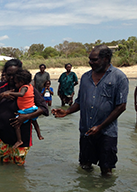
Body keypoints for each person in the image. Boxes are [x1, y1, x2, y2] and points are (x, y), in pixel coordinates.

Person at [52, 45, 128, 176]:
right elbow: (80, 101)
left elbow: (121, 106)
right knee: (85, 167)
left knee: (107, 171)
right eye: (90, 59)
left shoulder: (119, 77)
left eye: (94, 60)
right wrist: (67, 111)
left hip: (107, 133)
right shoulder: (86, 77)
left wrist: (100, 127)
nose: (90, 62)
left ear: (106, 59)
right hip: (86, 131)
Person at [0, 59, 49, 166]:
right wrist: (1, 96)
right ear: (4, 74)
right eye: (9, 75)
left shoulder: (28, 88)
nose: (11, 78)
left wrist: (27, 116)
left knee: (18, 170)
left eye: (15, 75)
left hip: (22, 137)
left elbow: (44, 109)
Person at [0, 69, 43, 148]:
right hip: (32, 107)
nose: (15, 84)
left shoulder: (24, 87)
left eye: (16, 83)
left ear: (21, 82)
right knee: (34, 121)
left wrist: (9, 93)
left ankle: (19, 140)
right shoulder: (30, 86)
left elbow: (21, 94)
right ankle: (39, 135)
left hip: (25, 110)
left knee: (17, 124)